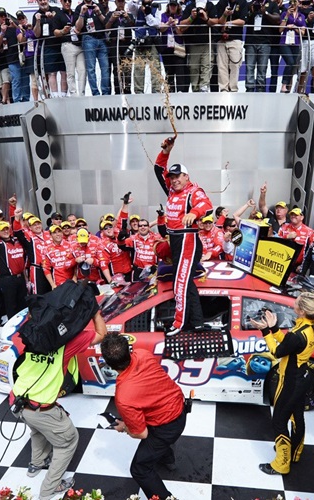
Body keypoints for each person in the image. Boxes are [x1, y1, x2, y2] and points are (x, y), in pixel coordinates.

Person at [11, 307, 108, 500]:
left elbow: (30, 317)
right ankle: (49, 489)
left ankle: (36, 464)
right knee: (68, 441)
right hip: (41, 409)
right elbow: (101, 334)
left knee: (38, 430)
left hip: (16, 400)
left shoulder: (29, 335)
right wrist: (94, 311)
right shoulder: (68, 343)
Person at [249, 291, 314, 475]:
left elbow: (277, 352)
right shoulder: (310, 327)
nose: (293, 304)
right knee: (297, 417)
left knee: (279, 422)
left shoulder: (298, 333)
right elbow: (289, 344)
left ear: (301, 311)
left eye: (296, 302)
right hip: (303, 378)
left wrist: (265, 330)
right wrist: (274, 328)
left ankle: (282, 464)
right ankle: (295, 452)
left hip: (290, 382)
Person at [101, 333, 186, 499]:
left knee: (139, 469)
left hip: (166, 426)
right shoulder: (143, 354)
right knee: (157, 442)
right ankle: (169, 461)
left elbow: (141, 434)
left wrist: (124, 427)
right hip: (180, 407)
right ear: (129, 350)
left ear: (109, 364)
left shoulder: (124, 397)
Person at [153, 136, 213, 335]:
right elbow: (158, 169)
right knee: (187, 284)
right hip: (175, 241)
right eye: (172, 177)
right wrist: (166, 151)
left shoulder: (193, 191)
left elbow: (207, 205)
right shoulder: (171, 190)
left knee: (179, 282)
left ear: (187, 176)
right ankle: (197, 323)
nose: (175, 180)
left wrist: (194, 213)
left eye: (179, 176)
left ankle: (179, 324)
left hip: (188, 241)